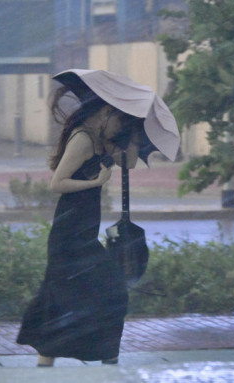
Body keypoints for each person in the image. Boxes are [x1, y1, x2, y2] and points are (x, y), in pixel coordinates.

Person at [16, 86, 144, 367]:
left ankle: (48, 362)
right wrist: (94, 183)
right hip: (69, 233)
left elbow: (130, 161)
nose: (120, 126)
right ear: (106, 112)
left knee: (61, 296)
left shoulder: (101, 141)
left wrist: (135, 129)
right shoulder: (83, 140)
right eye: (120, 119)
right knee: (109, 291)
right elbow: (57, 183)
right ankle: (105, 358)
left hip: (82, 232)